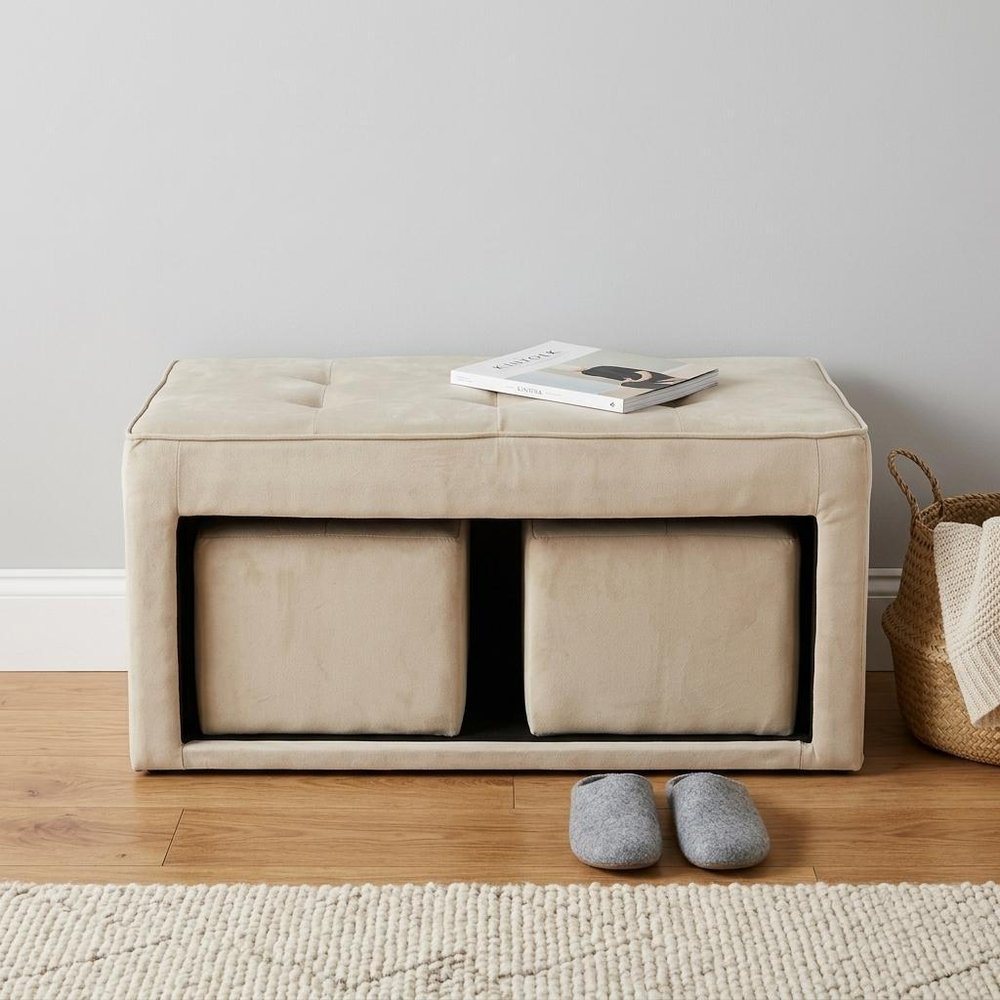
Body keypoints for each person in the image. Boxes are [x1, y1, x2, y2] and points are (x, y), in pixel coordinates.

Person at [580, 365, 681, 388]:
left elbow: (645, 373)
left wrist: (639, 379)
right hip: (640, 378)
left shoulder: (597, 369)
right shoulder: (594, 370)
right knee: (626, 384)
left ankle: (673, 382)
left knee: (627, 384)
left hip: (641, 376)